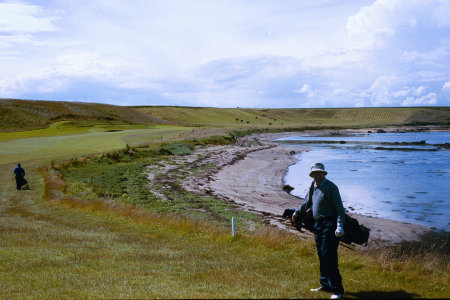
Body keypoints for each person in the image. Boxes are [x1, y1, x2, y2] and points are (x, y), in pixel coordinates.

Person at [292, 162, 345, 299]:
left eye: (319, 173)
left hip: (330, 224)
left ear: (323, 173)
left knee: (329, 255)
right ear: (312, 175)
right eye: (315, 173)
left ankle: (337, 290)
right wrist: (296, 213)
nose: (317, 175)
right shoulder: (313, 186)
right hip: (318, 225)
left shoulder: (331, 187)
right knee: (321, 255)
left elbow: (340, 209)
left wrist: (340, 225)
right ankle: (325, 285)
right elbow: (307, 203)